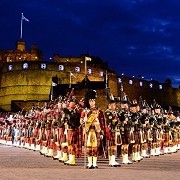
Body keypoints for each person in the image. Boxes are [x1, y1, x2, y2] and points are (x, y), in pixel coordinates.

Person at [80, 89, 102, 169]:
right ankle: (89, 163)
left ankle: (95, 163)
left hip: (96, 130)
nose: (92, 102)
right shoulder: (85, 111)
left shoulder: (98, 111)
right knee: (89, 147)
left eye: (93, 101)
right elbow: (81, 121)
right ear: (88, 101)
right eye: (90, 101)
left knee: (95, 147)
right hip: (88, 131)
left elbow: (102, 122)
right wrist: (84, 121)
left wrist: (101, 131)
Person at [105, 95, 121, 167]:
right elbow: (111, 122)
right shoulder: (108, 113)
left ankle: (113, 160)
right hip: (110, 131)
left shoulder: (114, 112)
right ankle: (111, 161)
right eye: (113, 104)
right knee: (111, 146)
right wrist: (117, 120)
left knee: (114, 146)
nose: (115, 106)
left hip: (115, 131)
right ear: (109, 105)